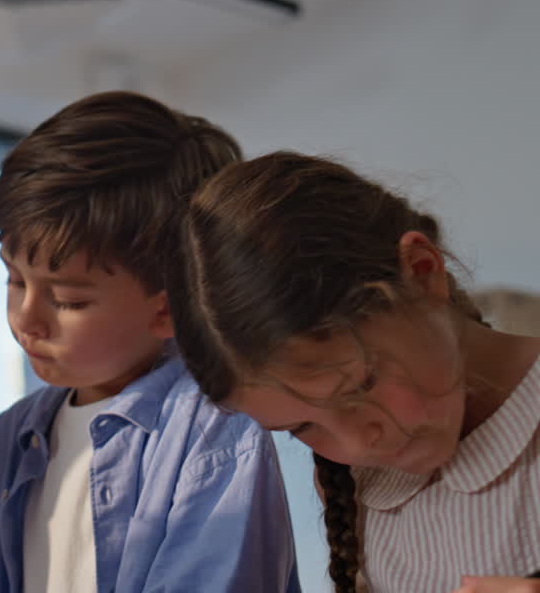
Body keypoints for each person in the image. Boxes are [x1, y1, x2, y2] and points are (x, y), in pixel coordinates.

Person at [0, 92, 300, 593]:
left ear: (171, 308)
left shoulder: (215, 428)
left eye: (67, 301)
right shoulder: (17, 433)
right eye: (14, 281)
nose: (26, 319)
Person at [168, 151, 540, 593]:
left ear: (421, 273)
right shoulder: (355, 484)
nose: (358, 443)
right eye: (302, 426)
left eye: (361, 387)